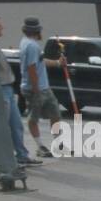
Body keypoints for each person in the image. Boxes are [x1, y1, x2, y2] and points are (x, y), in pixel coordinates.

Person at [0, 13, 36, 168]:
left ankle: (22, 155)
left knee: (16, 125)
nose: (2, 27)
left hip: (7, 88)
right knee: (2, 127)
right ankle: (6, 160)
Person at [18, 16, 64, 159]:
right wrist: (36, 89)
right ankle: (40, 147)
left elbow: (39, 62)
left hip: (44, 87)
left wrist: (57, 63)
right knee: (34, 117)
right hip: (35, 88)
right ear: (37, 31)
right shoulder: (31, 46)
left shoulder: (26, 43)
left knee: (55, 114)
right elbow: (31, 68)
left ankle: (58, 144)